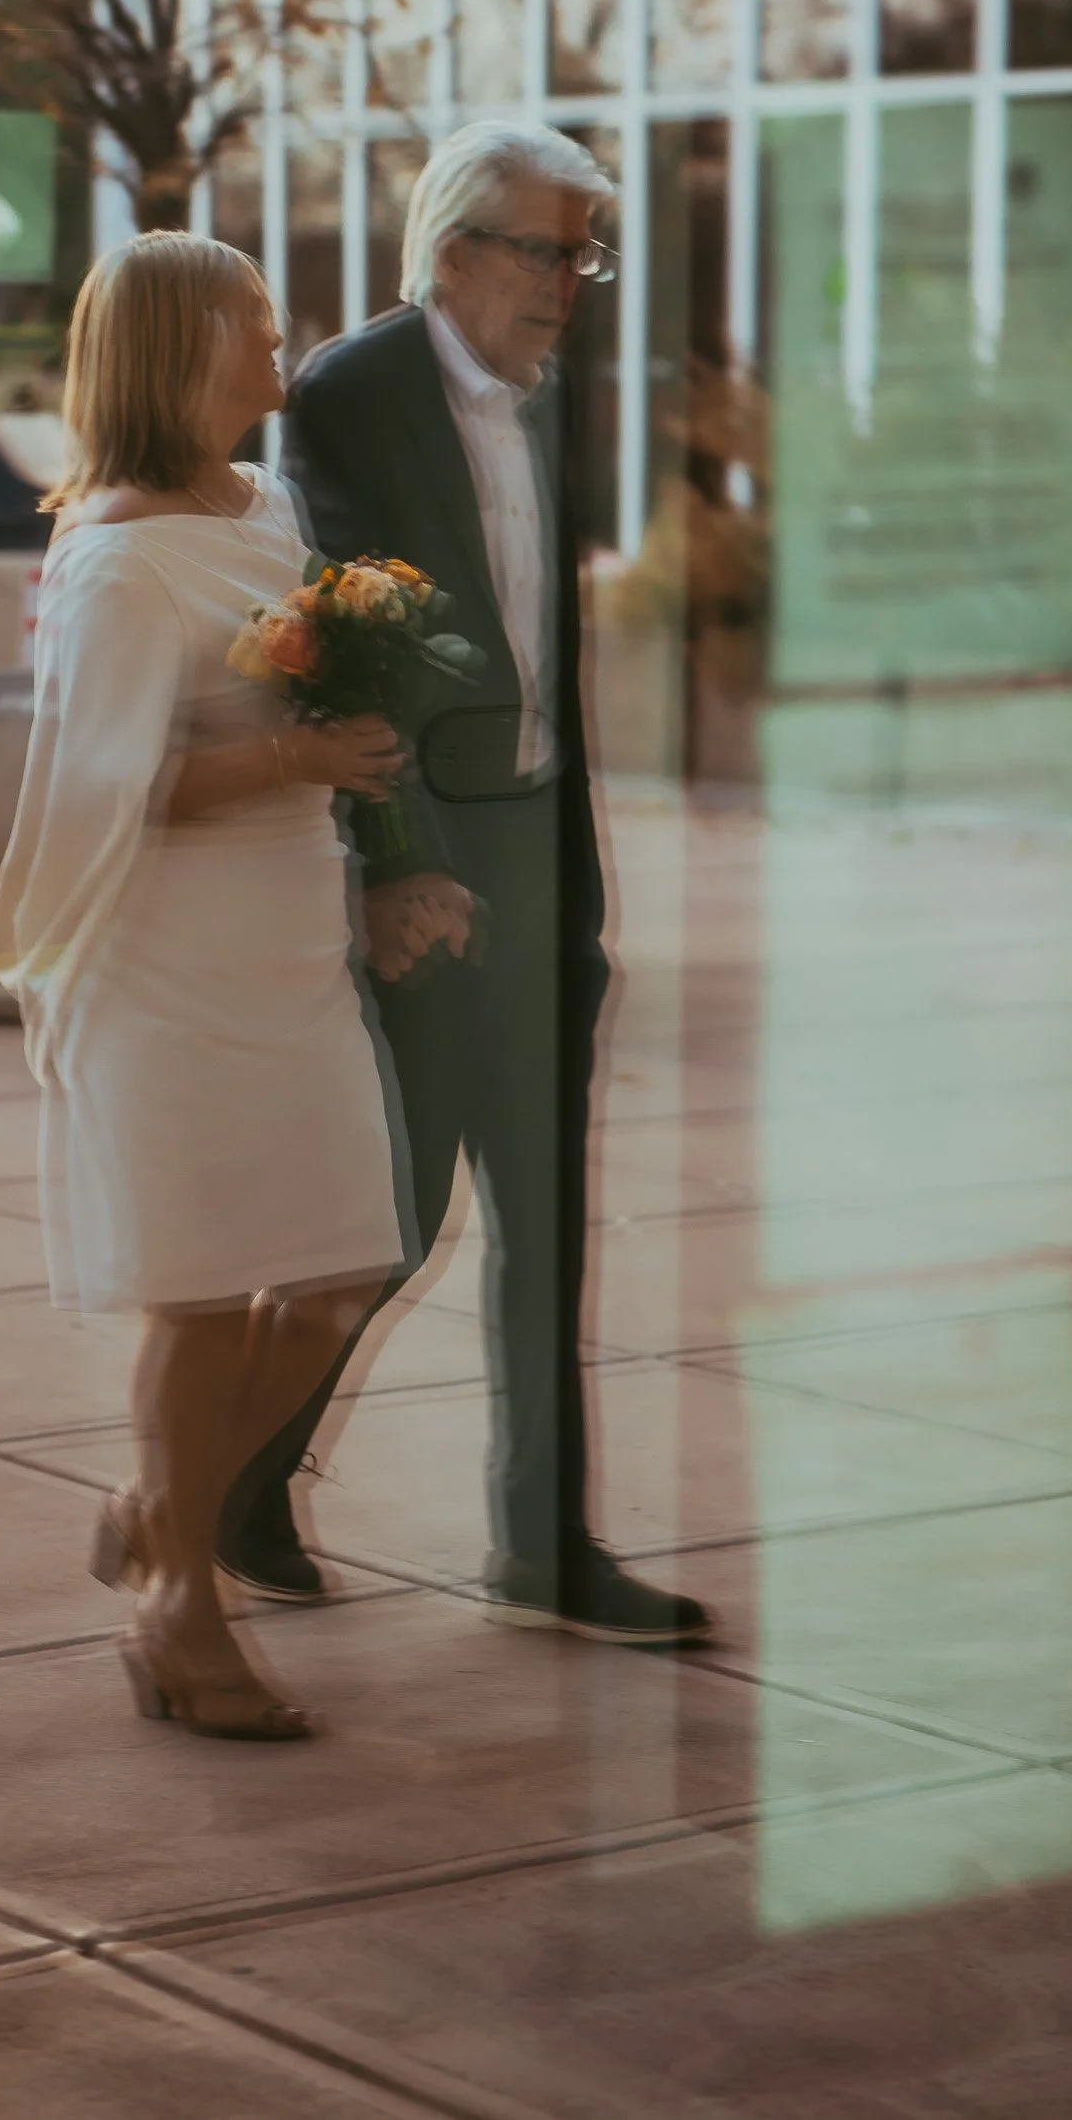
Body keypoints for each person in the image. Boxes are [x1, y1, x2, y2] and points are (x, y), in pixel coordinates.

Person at [216, 123, 711, 1647]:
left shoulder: (550, 399)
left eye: (584, 254)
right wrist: (398, 868)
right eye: (548, 250)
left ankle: (543, 1545)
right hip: (425, 852)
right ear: (452, 251)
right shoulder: (353, 393)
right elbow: (342, 649)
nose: (571, 281)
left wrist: (573, 885)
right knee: (398, 1210)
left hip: (542, 851)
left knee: (544, 1219)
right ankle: (230, 1483)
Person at [0, 232, 434, 1739]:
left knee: (337, 1275)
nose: (277, 340)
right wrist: (297, 756)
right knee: (195, 1299)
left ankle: (155, 1508)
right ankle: (181, 1609)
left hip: (291, 946)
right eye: (252, 321)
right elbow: (106, 792)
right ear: (182, 352)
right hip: (167, 970)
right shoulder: (113, 559)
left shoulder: (268, 502)